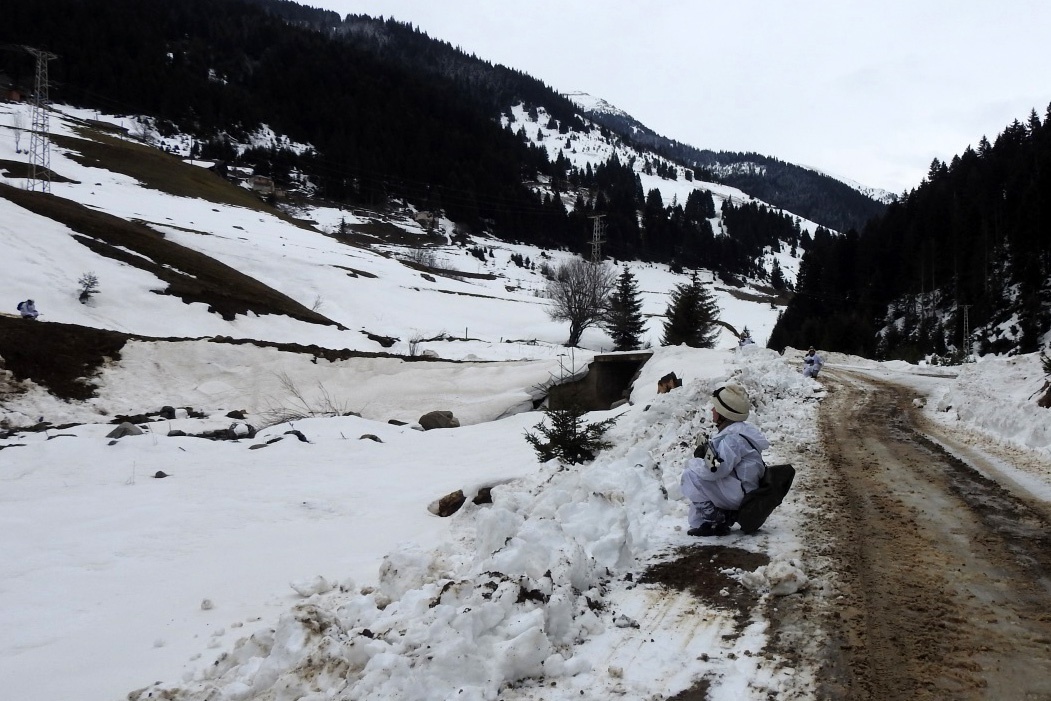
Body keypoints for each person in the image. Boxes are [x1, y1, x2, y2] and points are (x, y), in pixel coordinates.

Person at [680, 383, 770, 536]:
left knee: (689, 476)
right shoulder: (740, 431)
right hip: (744, 489)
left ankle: (715, 520)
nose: (712, 410)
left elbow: (716, 471)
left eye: (715, 408)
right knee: (695, 516)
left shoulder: (732, 439)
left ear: (724, 413)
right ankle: (721, 516)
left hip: (740, 494)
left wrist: (695, 461)